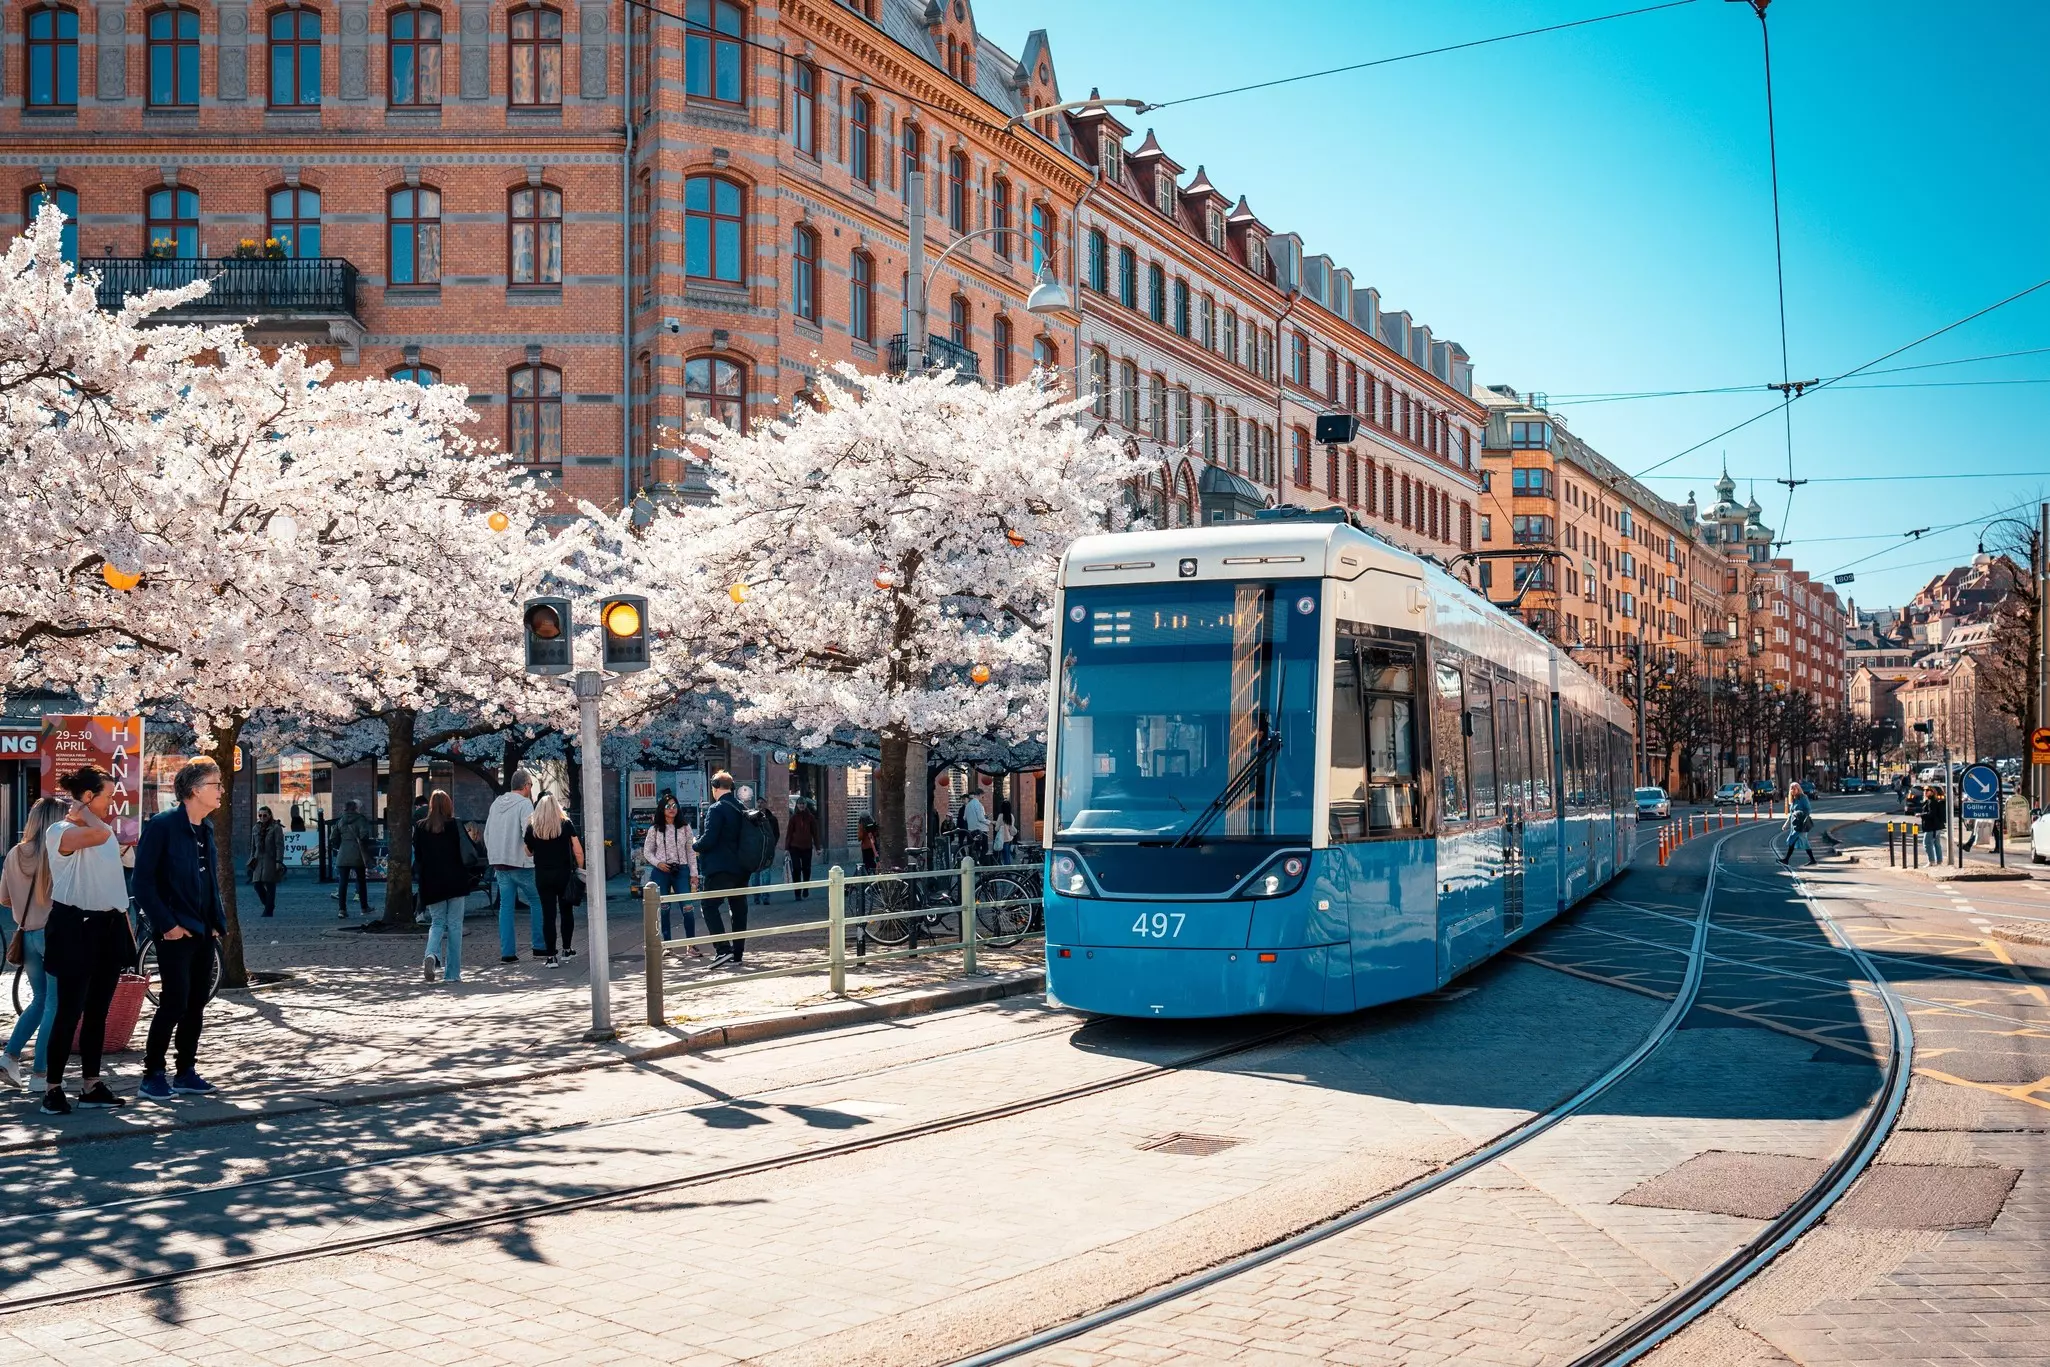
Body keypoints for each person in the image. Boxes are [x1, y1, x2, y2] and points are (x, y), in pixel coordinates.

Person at [42, 766, 138, 1114]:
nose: (112, 805)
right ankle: (53, 1088)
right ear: (86, 797)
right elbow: (99, 837)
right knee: (69, 1011)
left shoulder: (104, 831)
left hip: (109, 926)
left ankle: (91, 1084)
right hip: (75, 927)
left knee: (99, 1010)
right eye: (107, 797)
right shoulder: (60, 831)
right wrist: (81, 813)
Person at [132, 758, 229, 1102]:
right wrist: (167, 925)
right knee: (174, 1002)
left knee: (197, 1002)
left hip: (203, 931)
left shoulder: (205, 828)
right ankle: (152, 1074)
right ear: (194, 790)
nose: (221, 791)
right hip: (175, 930)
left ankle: (185, 1070)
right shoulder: (162, 825)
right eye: (216, 785)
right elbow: (142, 882)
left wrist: (216, 923)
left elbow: (208, 882)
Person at [1, 798, 65, 1090]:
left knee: (39, 1000)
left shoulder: (14, 853)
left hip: (26, 934)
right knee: (53, 1003)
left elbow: (4, 898)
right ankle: (41, 1074)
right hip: (52, 935)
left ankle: (10, 1056)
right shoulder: (57, 852)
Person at [484, 770, 544, 964]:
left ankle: (507, 953)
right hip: (522, 863)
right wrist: (533, 853)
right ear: (526, 786)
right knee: (537, 901)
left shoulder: (495, 804)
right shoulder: (525, 804)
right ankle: (539, 947)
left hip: (500, 863)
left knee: (506, 907)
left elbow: (487, 833)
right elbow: (529, 832)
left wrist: (494, 854)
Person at [693, 771, 750, 967]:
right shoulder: (741, 807)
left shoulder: (717, 809)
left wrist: (694, 845)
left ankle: (723, 950)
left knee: (709, 906)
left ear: (715, 787)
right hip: (742, 868)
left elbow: (709, 839)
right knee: (738, 909)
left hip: (720, 868)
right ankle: (737, 954)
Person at [414, 790, 469, 984]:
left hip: (432, 882)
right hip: (455, 880)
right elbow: (465, 851)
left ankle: (431, 954)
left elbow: (418, 857)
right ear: (448, 805)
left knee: (437, 923)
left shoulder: (421, 827)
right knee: (455, 925)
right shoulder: (455, 825)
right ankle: (452, 973)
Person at [525, 795, 584, 968]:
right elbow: (578, 851)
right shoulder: (565, 824)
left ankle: (551, 956)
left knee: (548, 915)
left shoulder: (533, 827)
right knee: (566, 912)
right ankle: (567, 949)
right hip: (564, 875)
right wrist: (579, 869)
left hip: (542, 876)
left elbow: (528, 852)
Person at [642, 795, 700, 956]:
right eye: (668, 806)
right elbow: (647, 851)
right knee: (664, 908)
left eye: (674, 805)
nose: (672, 809)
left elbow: (691, 851)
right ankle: (667, 945)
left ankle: (691, 945)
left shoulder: (685, 827)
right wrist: (658, 863)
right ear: (661, 808)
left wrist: (694, 873)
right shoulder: (654, 829)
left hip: (681, 870)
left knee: (687, 907)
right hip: (661, 871)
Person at [332, 799, 374, 919]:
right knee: (361, 881)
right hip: (357, 853)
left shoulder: (340, 820)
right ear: (356, 808)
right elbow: (364, 835)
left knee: (343, 882)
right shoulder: (361, 819)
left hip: (343, 853)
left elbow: (333, 837)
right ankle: (364, 907)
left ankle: (342, 909)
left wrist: (341, 844)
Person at [246, 807, 285, 917]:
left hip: (270, 859)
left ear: (269, 815)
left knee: (270, 884)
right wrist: (251, 860)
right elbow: (253, 846)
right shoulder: (255, 828)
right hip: (258, 859)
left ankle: (268, 910)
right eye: (260, 815)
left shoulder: (275, 827)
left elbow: (279, 846)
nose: (262, 818)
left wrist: (278, 861)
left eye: (265, 815)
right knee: (257, 884)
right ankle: (268, 904)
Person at [784, 796, 820, 899]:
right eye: (800, 804)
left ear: (805, 805)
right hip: (794, 847)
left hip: (807, 847)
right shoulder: (793, 818)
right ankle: (797, 892)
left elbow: (815, 833)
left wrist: (817, 847)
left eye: (803, 804)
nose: (801, 806)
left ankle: (806, 889)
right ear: (797, 805)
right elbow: (789, 834)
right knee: (796, 869)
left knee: (807, 869)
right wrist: (786, 848)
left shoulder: (810, 818)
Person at [1778, 781, 1816, 867]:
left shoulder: (1803, 798)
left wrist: (1800, 814)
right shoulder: (1793, 800)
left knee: (1792, 840)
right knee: (1804, 842)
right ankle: (1812, 860)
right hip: (1795, 825)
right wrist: (1786, 824)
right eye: (1791, 789)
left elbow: (1808, 810)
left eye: (1794, 788)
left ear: (1798, 789)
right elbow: (1791, 814)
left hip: (1802, 824)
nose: (1792, 790)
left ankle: (1786, 860)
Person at [1921, 785, 1946, 865]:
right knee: (1936, 844)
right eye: (1924, 790)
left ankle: (1931, 861)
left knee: (1927, 844)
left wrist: (1921, 815)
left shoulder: (1931, 802)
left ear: (1932, 792)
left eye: (1927, 790)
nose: (1925, 792)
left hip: (1932, 827)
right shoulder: (1931, 801)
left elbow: (1931, 814)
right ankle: (1939, 861)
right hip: (1936, 827)